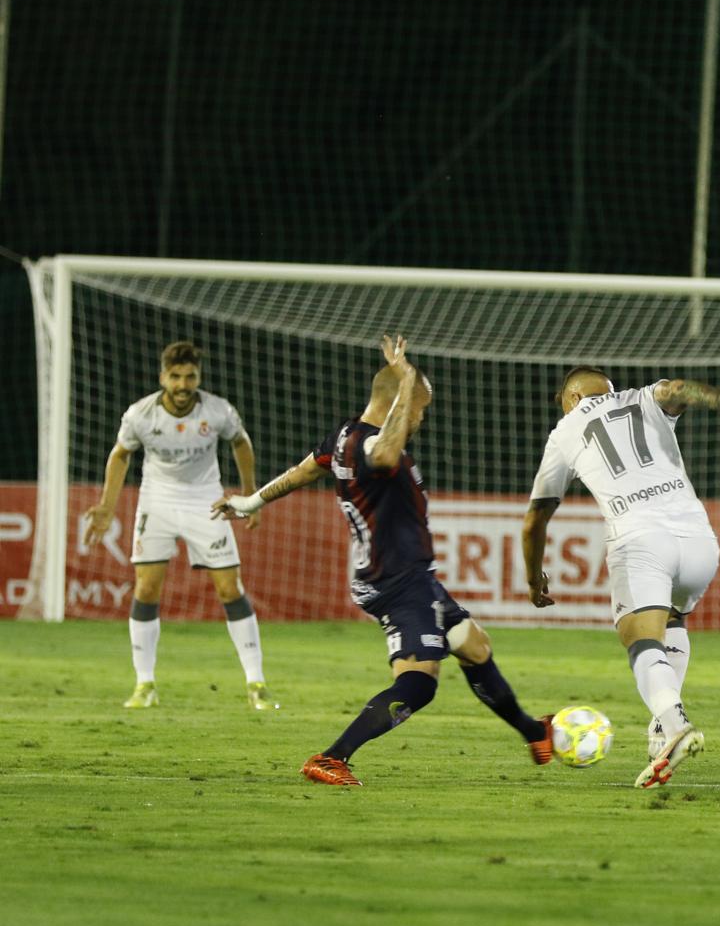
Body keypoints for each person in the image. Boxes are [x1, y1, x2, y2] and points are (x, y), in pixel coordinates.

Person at [213, 335, 554, 786]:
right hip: (397, 581)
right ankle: (332, 757)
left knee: (474, 646)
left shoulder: (343, 436)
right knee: (420, 682)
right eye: (420, 410)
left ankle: (534, 733)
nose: (421, 419)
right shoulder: (371, 445)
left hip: (406, 576)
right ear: (400, 406)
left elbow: (305, 470)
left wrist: (252, 502)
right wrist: (409, 379)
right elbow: (386, 453)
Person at [522, 367, 720, 789]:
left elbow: (535, 521)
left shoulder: (565, 432)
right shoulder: (641, 398)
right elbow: (682, 389)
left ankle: (676, 725)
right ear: (609, 391)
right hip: (699, 542)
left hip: (639, 541)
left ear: (570, 399)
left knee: (640, 639)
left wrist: (533, 578)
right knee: (672, 620)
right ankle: (661, 731)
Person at [82, 340, 276, 711]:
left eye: (190, 377)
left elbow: (241, 441)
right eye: (175, 377)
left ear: (198, 377)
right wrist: (107, 506)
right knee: (147, 588)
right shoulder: (141, 415)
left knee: (229, 589)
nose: (183, 385)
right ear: (163, 377)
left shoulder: (217, 410)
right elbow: (121, 454)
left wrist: (251, 495)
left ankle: (256, 683)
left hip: (206, 502)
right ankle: (144, 685)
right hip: (157, 502)